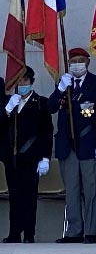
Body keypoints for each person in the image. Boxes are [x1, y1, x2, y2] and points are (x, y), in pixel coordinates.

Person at [49, 47, 96, 244]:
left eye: (80, 60)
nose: (76, 64)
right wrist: (60, 90)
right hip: (68, 147)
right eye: (73, 61)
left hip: (90, 146)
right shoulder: (64, 84)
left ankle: (91, 232)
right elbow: (50, 108)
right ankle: (74, 231)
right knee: (72, 190)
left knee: (92, 190)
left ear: (88, 62)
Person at [1, 67, 52, 243]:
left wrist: (45, 157)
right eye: (19, 81)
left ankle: (29, 233)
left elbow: (46, 132)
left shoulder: (40, 103)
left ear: (31, 82)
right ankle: (14, 232)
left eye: (25, 81)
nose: (22, 84)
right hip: (12, 158)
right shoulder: (8, 102)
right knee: (14, 197)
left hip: (31, 158)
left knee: (29, 196)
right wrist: (7, 111)